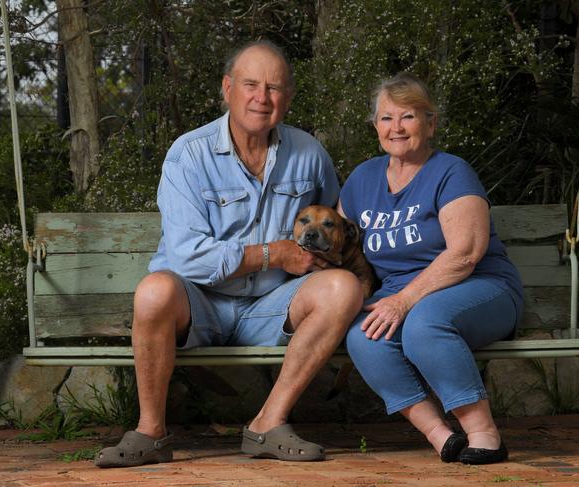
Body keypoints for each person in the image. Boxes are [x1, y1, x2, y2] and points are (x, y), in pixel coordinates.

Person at [95, 40, 364, 467]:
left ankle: (266, 425)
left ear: (288, 97)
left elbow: (336, 230)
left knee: (343, 288)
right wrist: (271, 255)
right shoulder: (188, 154)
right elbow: (185, 258)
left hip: (273, 307)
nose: (262, 97)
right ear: (227, 88)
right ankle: (150, 433)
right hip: (200, 303)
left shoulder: (310, 155)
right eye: (251, 84)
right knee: (152, 291)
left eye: (275, 88)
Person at [338, 73, 523, 465]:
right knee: (362, 336)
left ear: (431, 123)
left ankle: (484, 433)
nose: (397, 128)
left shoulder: (452, 172)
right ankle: (441, 436)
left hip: (477, 284)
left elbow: (465, 254)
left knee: (425, 324)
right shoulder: (362, 179)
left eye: (408, 116)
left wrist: (403, 302)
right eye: (386, 118)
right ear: (375, 126)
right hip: (400, 293)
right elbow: (341, 243)